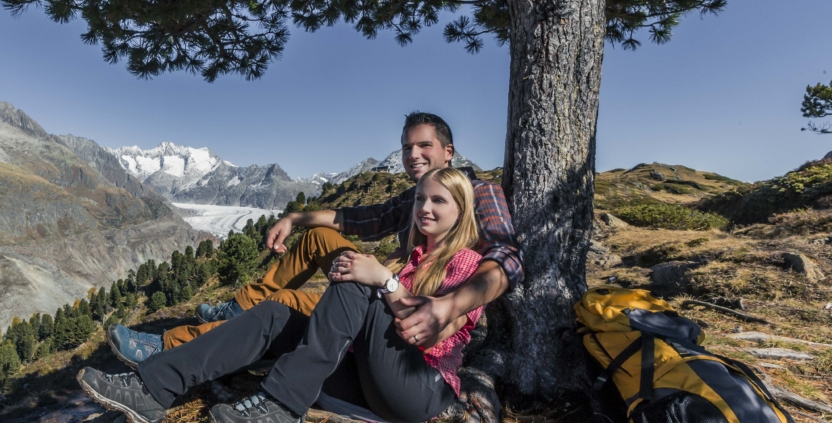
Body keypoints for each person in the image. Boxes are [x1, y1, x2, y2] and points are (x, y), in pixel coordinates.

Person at [107, 112, 522, 367]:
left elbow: (508, 257)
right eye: (406, 147)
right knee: (320, 235)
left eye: (424, 146)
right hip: (385, 287)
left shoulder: (478, 192)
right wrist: (295, 217)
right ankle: (237, 308)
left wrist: (447, 307)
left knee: (282, 305)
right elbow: (359, 218)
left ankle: (166, 346)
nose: (413, 155)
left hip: (401, 308)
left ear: (448, 151)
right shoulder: (415, 197)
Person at [79, 168, 486, 423]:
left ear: (460, 210)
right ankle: (154, 388)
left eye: (438, 201)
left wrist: (382, 279)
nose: (424, 208)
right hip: (366, 379)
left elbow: (428, 333)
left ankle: (280, 404)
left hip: (418, 391)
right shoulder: (411, 256)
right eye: (420, 199)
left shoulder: (467, 262)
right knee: (275, 314)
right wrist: (379, 274)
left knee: (358, 276)